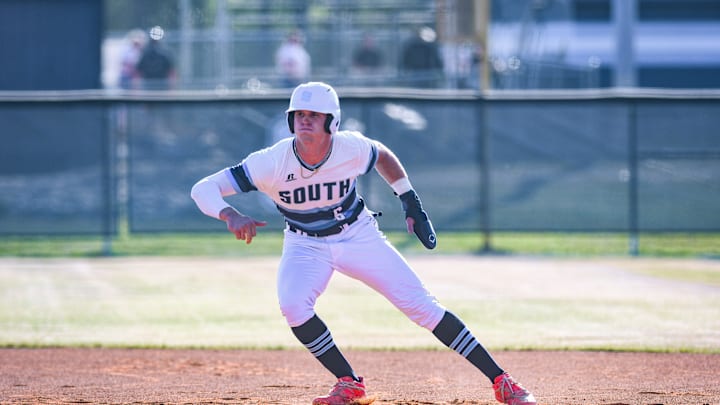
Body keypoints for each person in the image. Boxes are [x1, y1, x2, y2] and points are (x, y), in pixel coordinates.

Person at [190, 82, 536, 405]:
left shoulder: (350, 148)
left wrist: (409, 199)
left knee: (422, 307)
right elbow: (203, 188)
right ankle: (349, 382)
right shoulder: (271, 162)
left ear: (332, 123)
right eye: (299, 115)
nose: (305, 121)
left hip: (358, 235)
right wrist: (229, 214)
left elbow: (383, 155)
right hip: (304, 243)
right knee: (293, 306)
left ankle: (502, 381)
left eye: (314, 116)